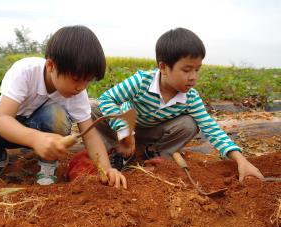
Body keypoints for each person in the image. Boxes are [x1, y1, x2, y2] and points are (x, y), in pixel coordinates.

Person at [0, 25, 127, 188]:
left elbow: (90, 136)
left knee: (54, 115)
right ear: (51, 65)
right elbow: (2, 121)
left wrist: (106, 168)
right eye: (76, 78)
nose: (81, 87)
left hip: (41, 128)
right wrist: (36, 139)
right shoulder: (25, 71)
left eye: (87, 80)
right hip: (7, 127)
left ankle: (47, 164)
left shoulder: (77, 93)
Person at [91, 27, 264, 182]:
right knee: (94, 109)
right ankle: (118, 152)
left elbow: (211, 128)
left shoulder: (191, 97)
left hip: (153, 134)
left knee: (190, 123)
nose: (193, 77)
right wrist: (125, 130)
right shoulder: (142, 81)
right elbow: (107, 99)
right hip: (127, 129)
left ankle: (154, 155)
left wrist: (241, 160)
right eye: (187, 70)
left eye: (197, 69)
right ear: (164, 67)